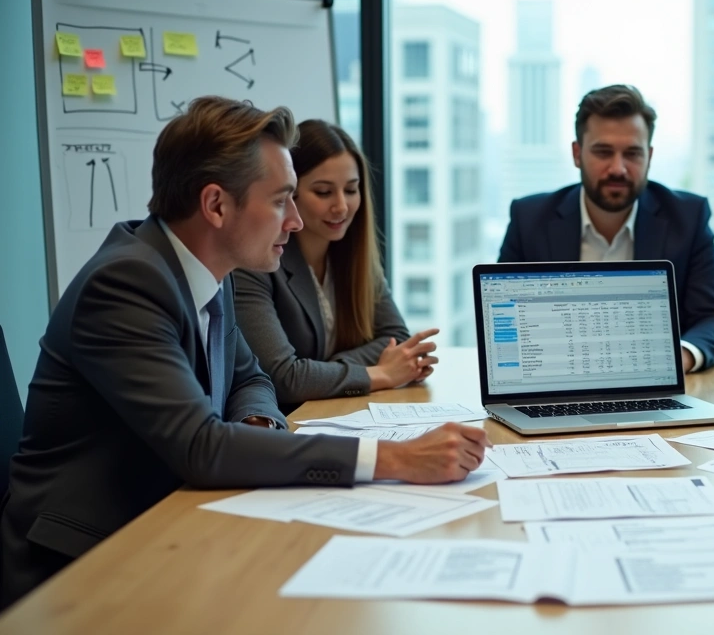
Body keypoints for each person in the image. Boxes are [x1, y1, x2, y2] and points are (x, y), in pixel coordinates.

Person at [0, 97, 489, 607]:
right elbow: (203, 447)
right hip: (81, 562)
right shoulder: (127, 282)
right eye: (282, 200)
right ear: (215, 205)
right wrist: (398, 458)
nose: (297, 221)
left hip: (173, 520)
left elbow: (252, 380)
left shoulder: (209, 271)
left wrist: (255, 430)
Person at [498, 84, 714, 372]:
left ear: (649, 156)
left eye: (633, 154)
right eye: (603, 152)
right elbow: (503, 319)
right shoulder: (530, 218)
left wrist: (678, 358)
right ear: (577, 154)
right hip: (556, 383)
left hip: (653, 389)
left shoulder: (687, 217)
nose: (618, 169)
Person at [233, 119, 436, 414]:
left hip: (340, 412)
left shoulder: (355, 255)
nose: (341, 206)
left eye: (351, 190)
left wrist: (317, 373)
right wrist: (377, 373)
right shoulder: (256, 262)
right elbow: (283, 378)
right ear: (290, 193)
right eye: (324, 192)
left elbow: (397, 340)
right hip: (286, 425)